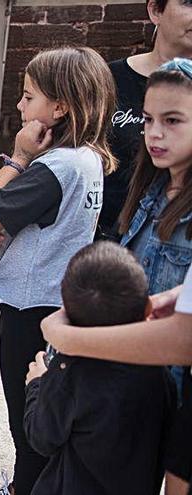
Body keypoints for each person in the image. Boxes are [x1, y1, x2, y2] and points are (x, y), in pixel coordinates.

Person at [0, 46, 117, 495]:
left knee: (28, 420)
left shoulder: (53, 167)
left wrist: (16, 159)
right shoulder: (89, 159)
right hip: (58, 303)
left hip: (30, 310)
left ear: (59, 107)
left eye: (28, 96)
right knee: (44, 415)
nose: (19, 105)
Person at [23, 241, 174, 494]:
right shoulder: (159, 372)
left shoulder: (71, 374)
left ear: (67, 312)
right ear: (148, 308)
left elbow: (42, 438)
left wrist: (37, 385)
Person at [117, 58, 192, 398]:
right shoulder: (151, 188)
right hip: (129, 378)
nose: (155, 133)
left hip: (172, 392)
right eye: (148, 119)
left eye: (172, 120)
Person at [100, 0, 192, 240]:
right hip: (101, 243)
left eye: (172, 120)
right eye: (189, 2)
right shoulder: (106, 81)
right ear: (155, 10)